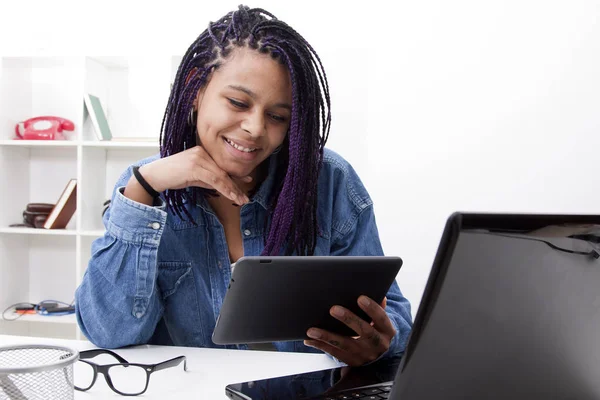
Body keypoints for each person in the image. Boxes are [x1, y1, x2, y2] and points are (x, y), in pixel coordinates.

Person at [75, 5, 412, 367]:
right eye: (238, 102)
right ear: (194, 88)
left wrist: (379, 340)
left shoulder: (330, 182)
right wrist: (144, 187)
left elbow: (396, 320)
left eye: (278, 116)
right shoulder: (144, 189)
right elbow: (110, 333)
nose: (255, 127)